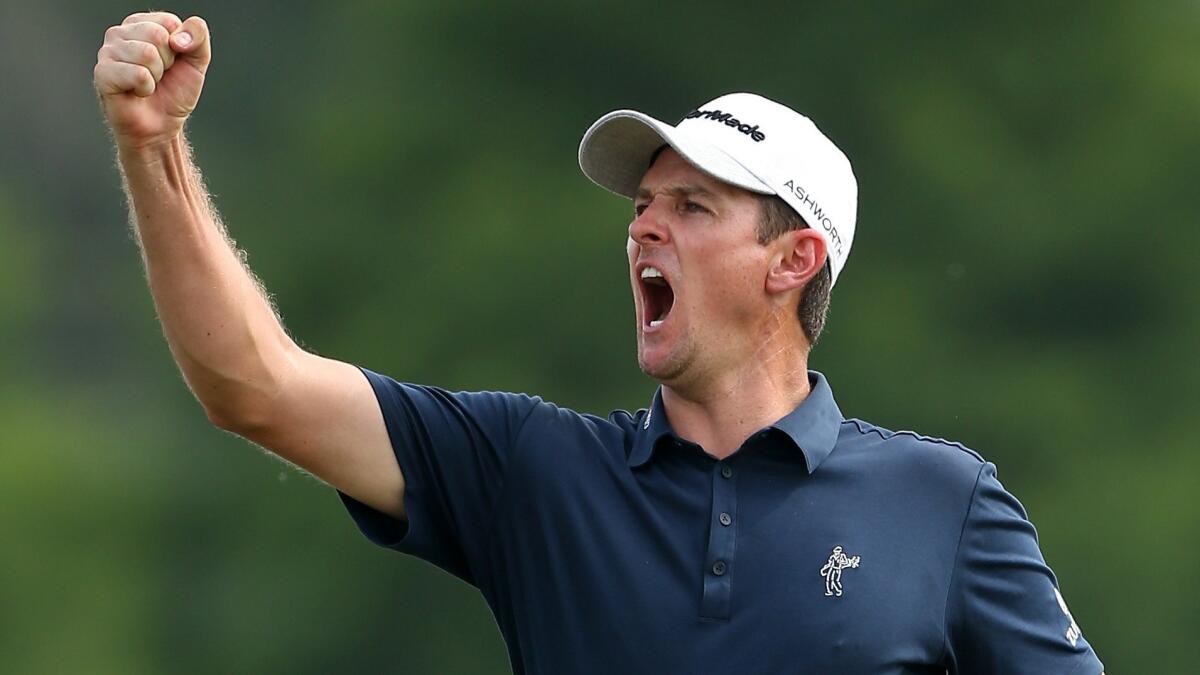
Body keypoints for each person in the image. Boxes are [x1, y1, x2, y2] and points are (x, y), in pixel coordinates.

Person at [93, 11, 1105, 675]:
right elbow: (254, 386)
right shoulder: (537, 473)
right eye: (644, 203)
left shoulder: (944, 504)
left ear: (791, 261)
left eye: (693, 206)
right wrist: (153, 146)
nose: (643, 227)